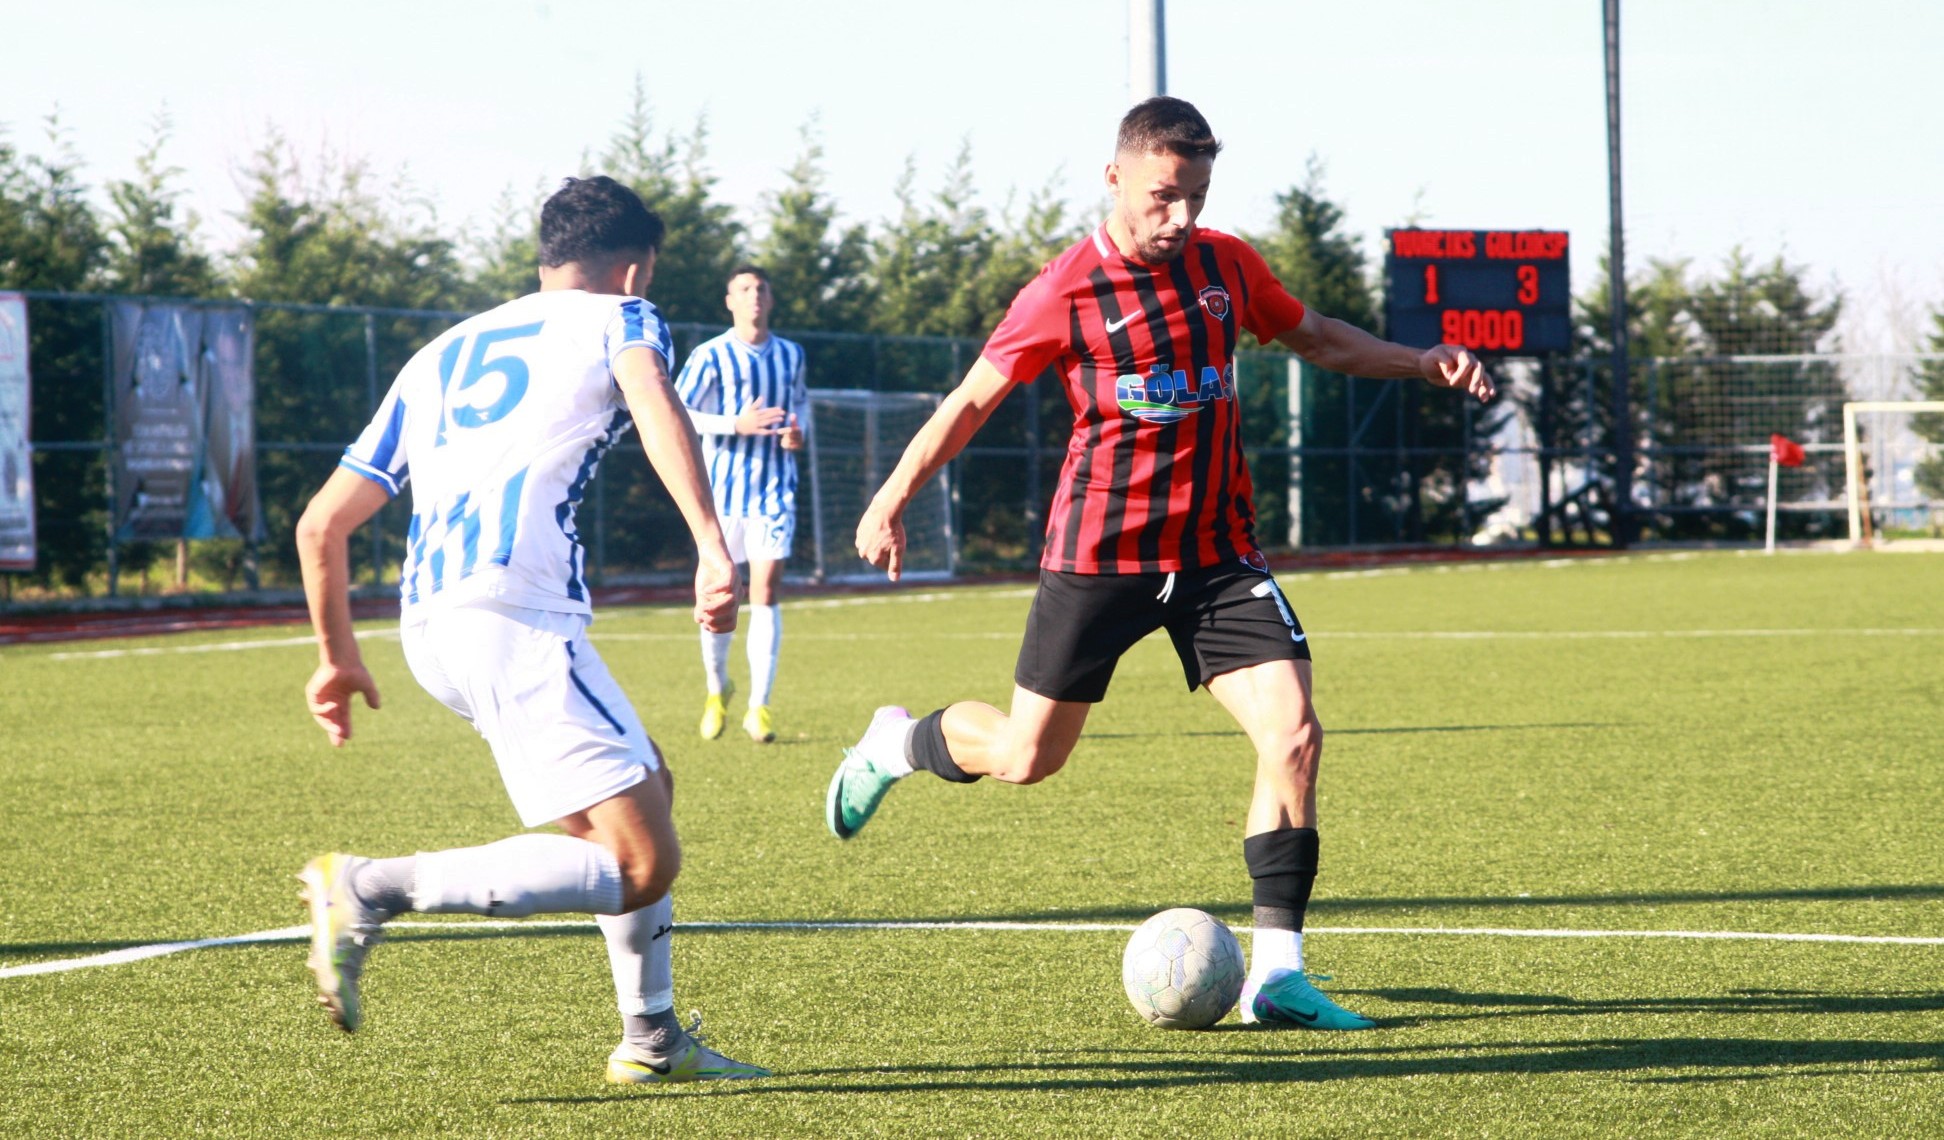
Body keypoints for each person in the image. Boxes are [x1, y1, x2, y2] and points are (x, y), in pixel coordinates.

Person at [824, 98, 1495, 1031]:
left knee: (1294, 736)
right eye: (1162, 197)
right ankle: (894, 743)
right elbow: (973, 401)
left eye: (1196, 197)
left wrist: (1421, 362)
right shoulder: (1061, 290)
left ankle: (1277, 975)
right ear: (1115, 180)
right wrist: (891, 494)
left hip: (1219, 555)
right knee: (1026, 758)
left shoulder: (1227, 265)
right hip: (1102, 556)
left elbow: (1319, 337)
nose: (1179, 218)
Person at [294, 175, 767, 1083]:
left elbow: (322, 525)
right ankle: (367, 887)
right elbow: (655, 402)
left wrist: (335, 658)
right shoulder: (620, 317)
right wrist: (711, 544)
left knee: (642, 789)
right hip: (514, 615)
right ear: (633, 269)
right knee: (641, 860)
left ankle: (653, 1042)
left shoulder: (436, 353)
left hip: (432, 628)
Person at [673, 265, 809, 744]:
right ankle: (716, 690)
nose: (754, 296)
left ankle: (760, 707)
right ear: (729, 301)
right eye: (744, 289)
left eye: (761, 289)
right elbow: (678, 412)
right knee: (716, 594)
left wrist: (798, 433)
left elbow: (801, 405)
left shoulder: (791, 355)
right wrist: (736, 424)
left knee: (765, 592)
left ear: (771, 300)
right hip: (720, 497)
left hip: (774, 492)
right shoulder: (710, 356)